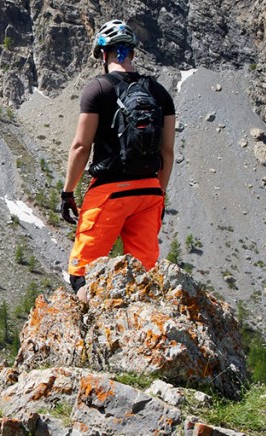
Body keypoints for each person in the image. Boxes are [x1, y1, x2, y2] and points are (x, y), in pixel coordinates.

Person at [60, 20, 176, 296]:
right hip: (149, 192)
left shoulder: (97, 89)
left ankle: (87, 334)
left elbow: (80, 146)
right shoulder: (160, 93)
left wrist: (68, 192)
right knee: (144, 276)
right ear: (132, 53)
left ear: (103, 54)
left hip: (109, 192)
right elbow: (167, 152)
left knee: (81, 274)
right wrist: (159, 193)